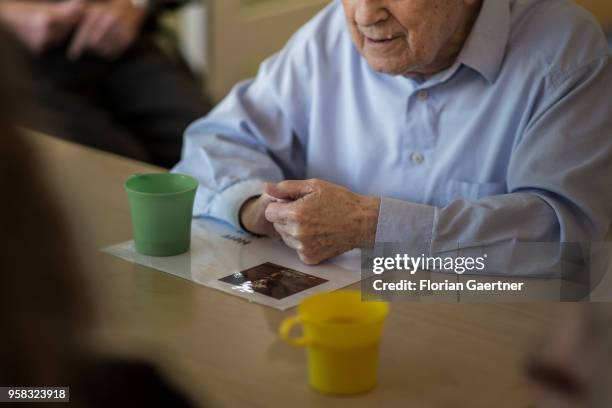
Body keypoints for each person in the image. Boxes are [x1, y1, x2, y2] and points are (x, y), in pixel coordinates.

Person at [173, 0, 612, 271]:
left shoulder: (565, 51)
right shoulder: (328, 35)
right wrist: (255, 206)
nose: (365, 15)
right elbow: (216, 142)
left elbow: (566, 243)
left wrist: (371, 227)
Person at [0, 30, 196, 407]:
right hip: (41, 54)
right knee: (112, 158)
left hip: (123, 43)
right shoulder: (108, 389)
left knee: (181, 138)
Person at [0, 0, 210, 168]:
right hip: (16, 61)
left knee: (216, 155)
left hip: (126, 40)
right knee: (109, 176)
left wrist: (136, 5)